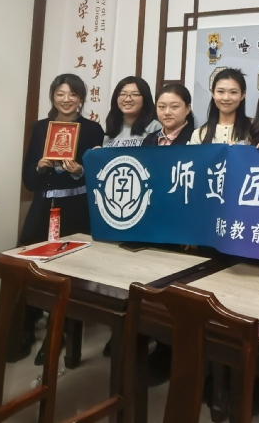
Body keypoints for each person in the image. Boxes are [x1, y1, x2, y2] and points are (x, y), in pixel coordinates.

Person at [19, 73, 104, 359]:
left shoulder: (93, 130)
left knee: (69, 270)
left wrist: (80, 171)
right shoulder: (40, 128)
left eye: (73, 94)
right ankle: (26, 324)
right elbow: (29, 180)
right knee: (29, 264)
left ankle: (60, 330)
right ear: (53, 97)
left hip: (76, 208)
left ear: (81, 98)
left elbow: (98, 177)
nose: (66, 100)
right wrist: (40, 165)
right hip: (43, 205)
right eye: (60, 94)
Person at [189, 67, 249, 144]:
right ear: (213, 93)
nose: (226, 98)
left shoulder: (254, 131)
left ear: (242, 95)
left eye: (233, 92)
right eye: (220, 91)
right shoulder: (199, 134)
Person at [102, 76, 160, 147]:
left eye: (135, 94)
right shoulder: (113, 127)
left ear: (145, 98)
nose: (128, 99)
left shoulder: (154, 126)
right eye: (123, 94)